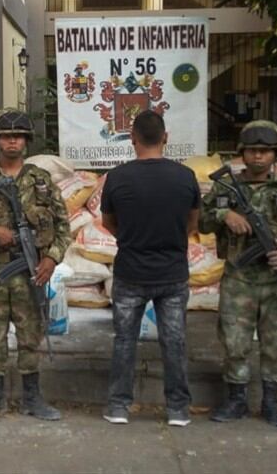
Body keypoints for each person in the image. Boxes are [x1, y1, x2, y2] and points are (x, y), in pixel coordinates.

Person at [200, 120, 277, 428]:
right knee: (234, 341)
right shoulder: (225, 187)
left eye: (265, 152)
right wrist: (223, 214)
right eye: (252, 151)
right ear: (242, 154)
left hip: (276, 280)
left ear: (275, 155)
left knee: (276, 342)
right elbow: (199, 220)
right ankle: (236, 399)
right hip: (239, 278)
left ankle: (271, 402)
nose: (258, 157)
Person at [0, 108, 72, 421]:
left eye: (18, 136)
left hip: (31, 271)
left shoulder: (41, 182)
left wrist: (51, 258)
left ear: (26, 141)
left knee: (30, 334)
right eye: (6, 136)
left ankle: (32, 397)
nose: (12, 142)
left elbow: (63, 226)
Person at [99, 110, 200, 427]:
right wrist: (169, 240)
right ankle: (178, 410)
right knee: (175, 342)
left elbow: (108, 222)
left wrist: (131, 238)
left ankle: (118, 407)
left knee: (124, 341)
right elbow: (192, 223)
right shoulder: (186, 177)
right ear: (166, 138)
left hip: (130, 273)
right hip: (172, 273)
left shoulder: (116, 178)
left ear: (132, 140)